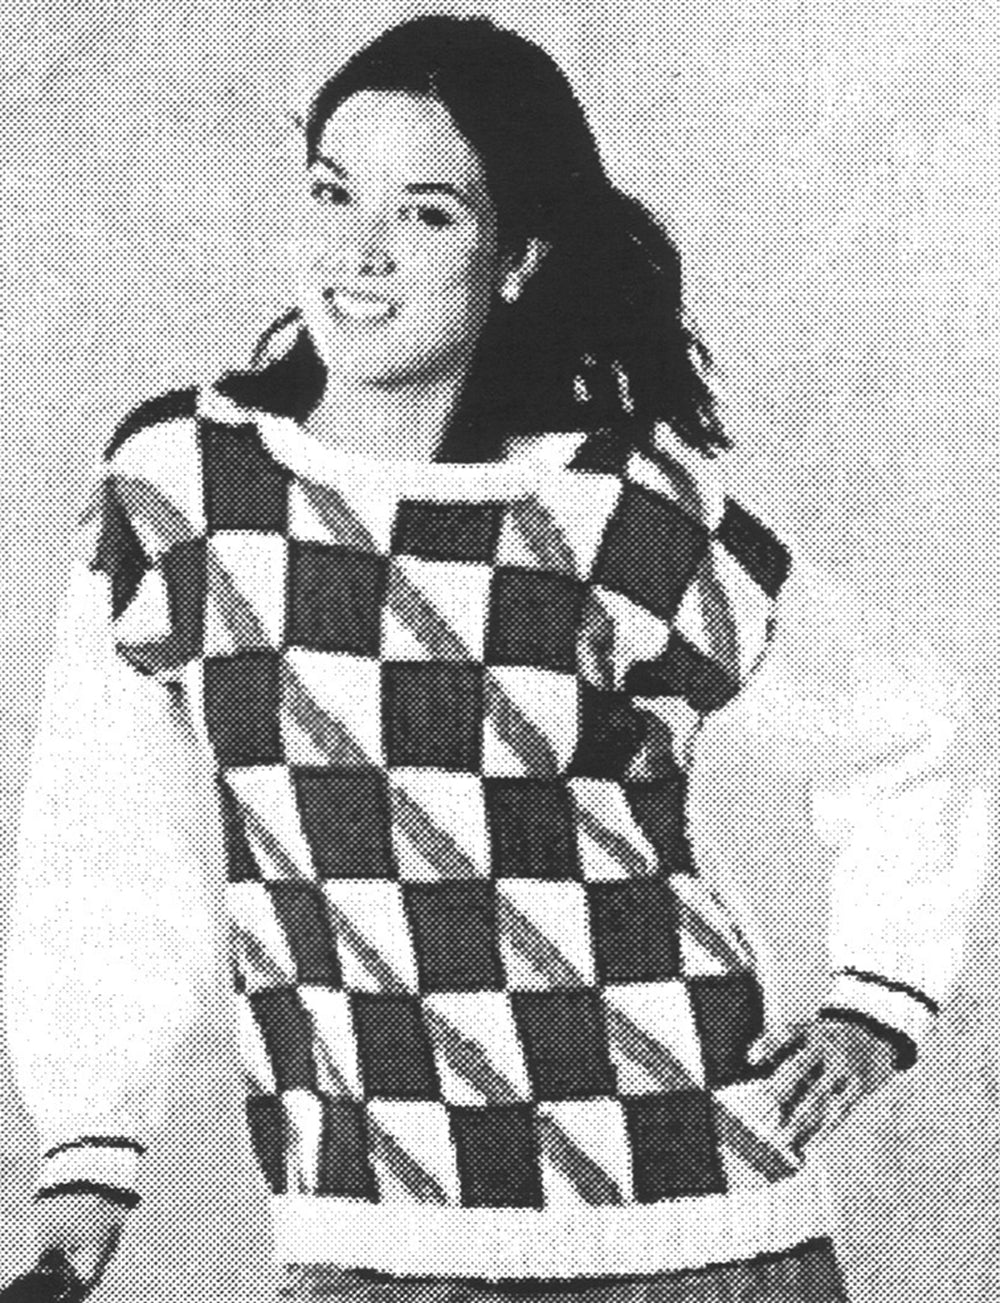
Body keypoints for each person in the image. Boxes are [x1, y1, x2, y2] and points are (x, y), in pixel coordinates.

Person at [1, 14, 986, 1303]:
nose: (361, 252)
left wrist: (878, 1000)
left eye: (426, 214)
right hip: (378, 1233)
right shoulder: (186, 498)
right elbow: (103, 838)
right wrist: (89, 1146)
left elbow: (907, 732)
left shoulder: (618, 511)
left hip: (697, 1221)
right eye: (334, 195)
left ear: (516, 258)